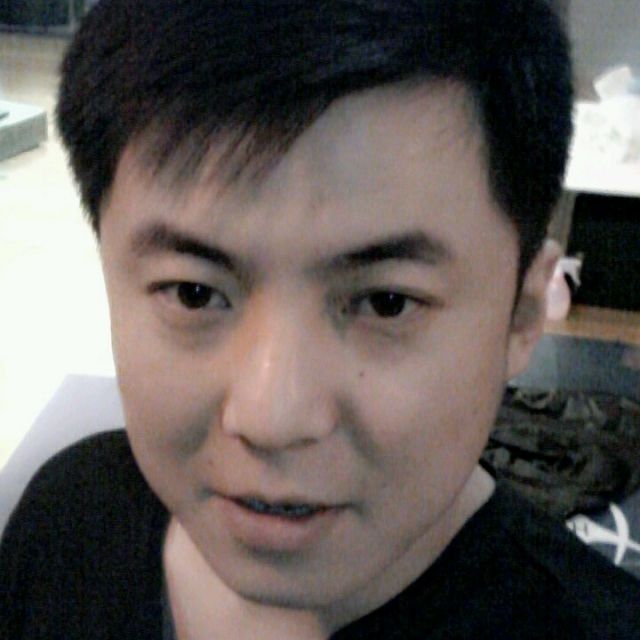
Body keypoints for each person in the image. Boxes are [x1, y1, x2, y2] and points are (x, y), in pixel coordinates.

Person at [1, 1, 639, 638]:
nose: (271, 419)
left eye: (386, 302)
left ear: (522, 315)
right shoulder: (67, 522)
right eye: (194, 293)